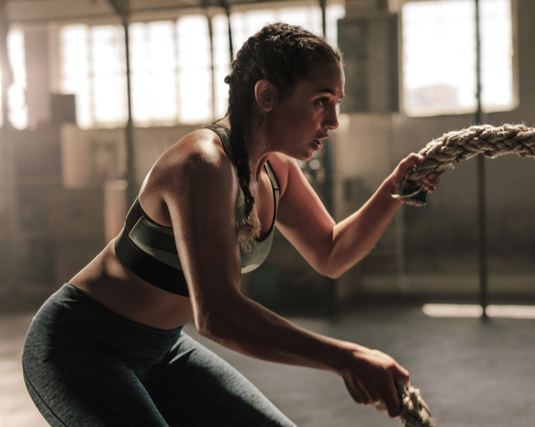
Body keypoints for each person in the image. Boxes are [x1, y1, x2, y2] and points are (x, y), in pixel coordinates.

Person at [22, 23, 442, 427]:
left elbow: (331, 252)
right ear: (266, 96)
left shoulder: (277, 171)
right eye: (321, 101)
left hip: (163, 350)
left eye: (336, 103)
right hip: (82, 347)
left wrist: (393, 191)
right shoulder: (201, 164)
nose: (332, 121)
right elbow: (217, 313)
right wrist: (346, 358)